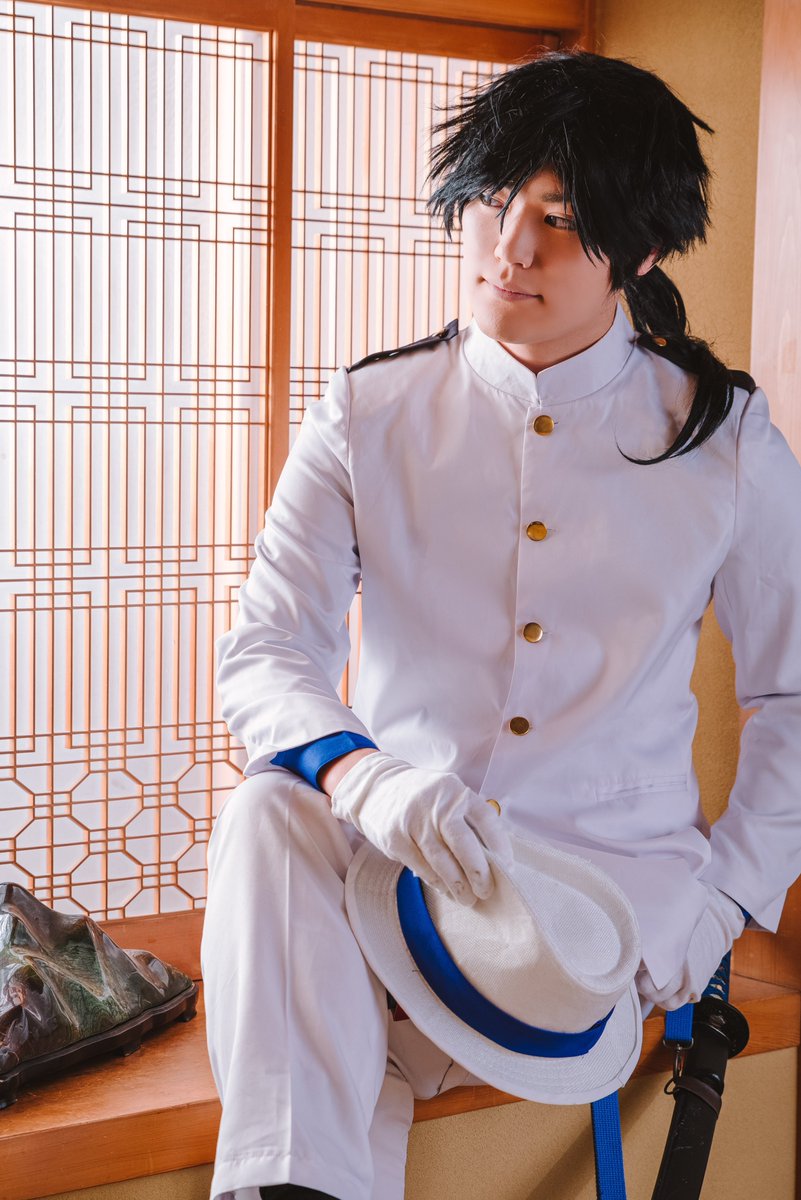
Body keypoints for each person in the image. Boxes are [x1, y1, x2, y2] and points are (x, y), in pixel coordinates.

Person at [200, 48, 801, 1200]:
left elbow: (794, 695)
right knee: (271, 809)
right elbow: (267, 652)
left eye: (561, 220)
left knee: (327, 1029)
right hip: (394, 860)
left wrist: (724, 902)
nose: (509, 248)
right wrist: (368, 777)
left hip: (598, 909)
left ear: (643, 250)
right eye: (490, 199)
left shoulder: (724, 444)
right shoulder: (368, 412)